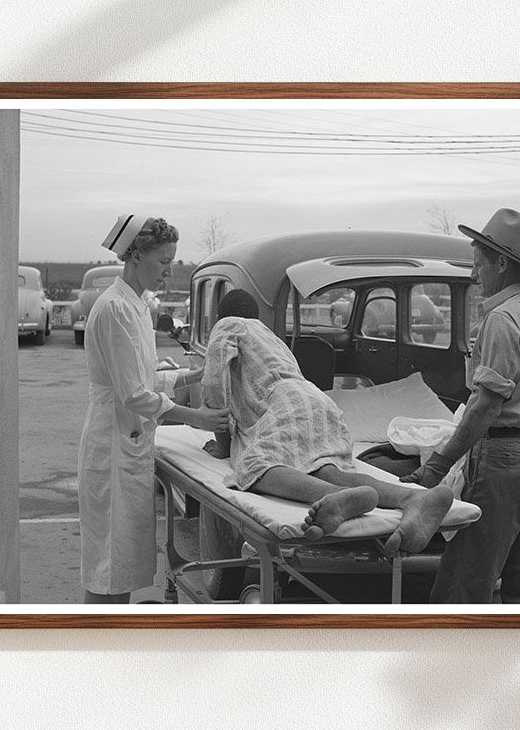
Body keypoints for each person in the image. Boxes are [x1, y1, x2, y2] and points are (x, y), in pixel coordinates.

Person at [202, 289, 453, 556]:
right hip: (318, 404)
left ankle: (333, 496)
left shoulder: (226, 326)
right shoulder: (269, 337)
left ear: (221, 315)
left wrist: (223, 445)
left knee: (254, 467)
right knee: (323, 467)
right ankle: (414, 498)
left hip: (283, 403)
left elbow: (214, 387)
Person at [402, 209, 520, 604]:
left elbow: (485, 406)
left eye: (480, 265)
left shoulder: (501, 319)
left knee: (464, 585)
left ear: (503, 262)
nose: (476, 275)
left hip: (505, 465)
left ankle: (453, 663)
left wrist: (437, 466)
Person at [78, 214, 228, 604]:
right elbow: (133, 395)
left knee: (121, 564)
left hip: (128, 440)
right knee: (108, 569)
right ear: (135, 256)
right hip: (112, 443)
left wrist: (193, 377)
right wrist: (198, 418)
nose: (168, 273)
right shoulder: (115, 309)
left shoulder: (137, 306)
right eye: (163, 262)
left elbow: (145, 379)